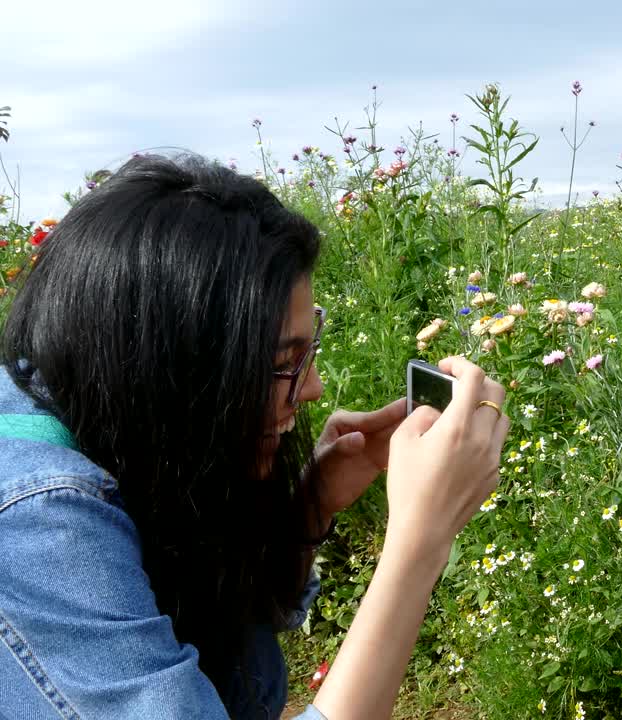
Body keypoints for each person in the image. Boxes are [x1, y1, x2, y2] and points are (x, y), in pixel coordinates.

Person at [0, 154, 511, 720]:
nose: (313, 389)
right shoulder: (39, 522)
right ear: (166, 368)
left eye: (306, 350)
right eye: (281, 363)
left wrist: (309, 504)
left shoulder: (105, 416)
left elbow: (210, 630)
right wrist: (420, 539)